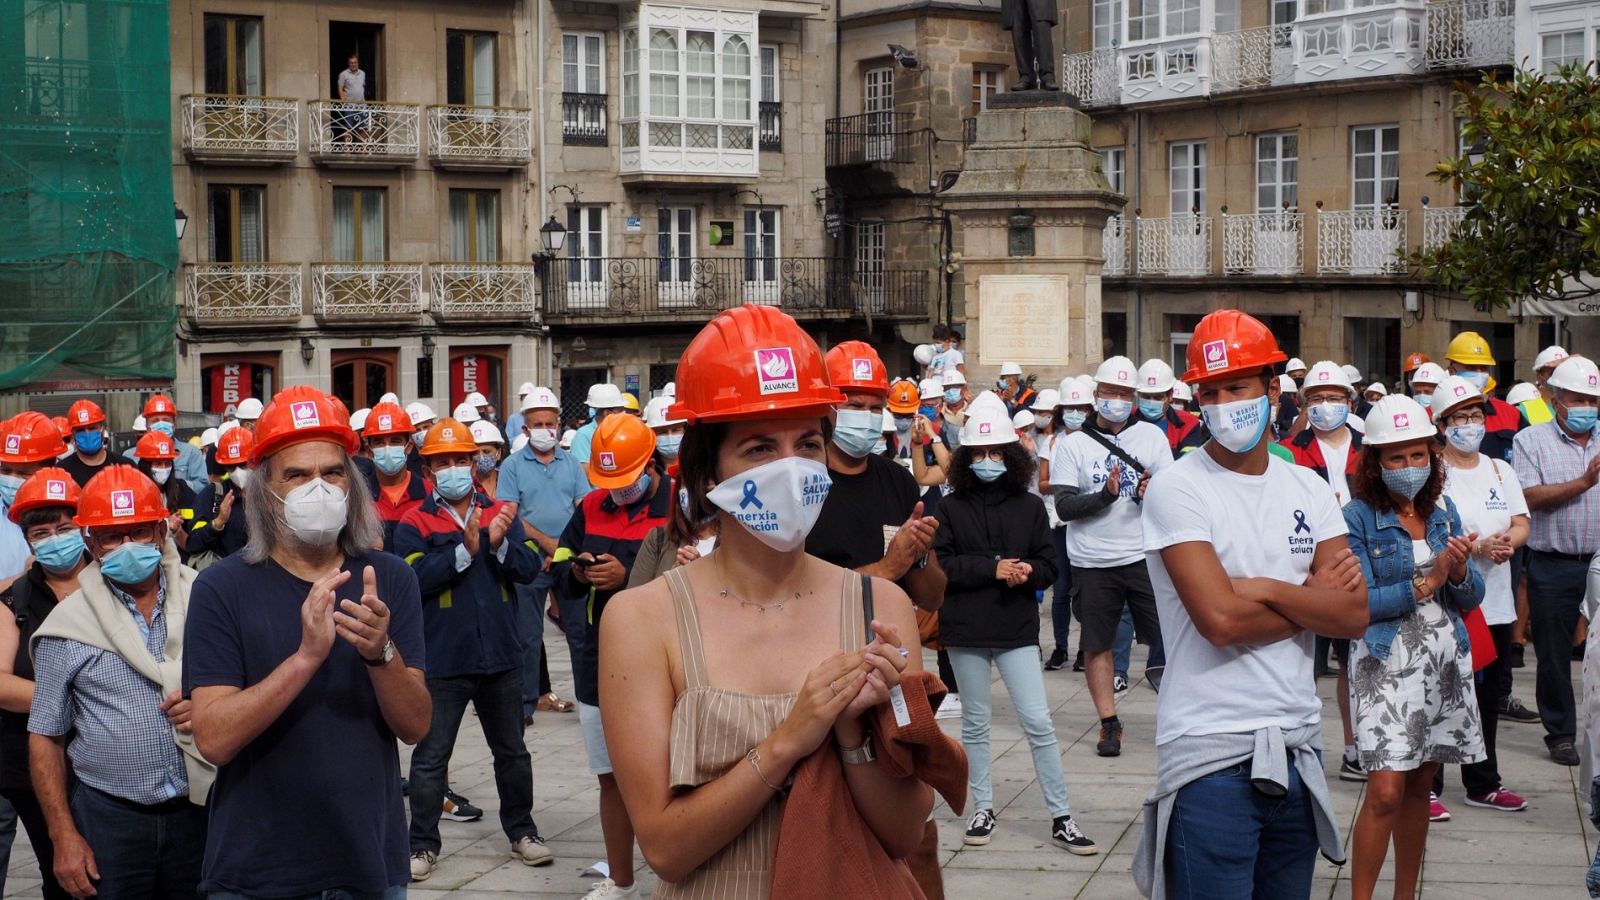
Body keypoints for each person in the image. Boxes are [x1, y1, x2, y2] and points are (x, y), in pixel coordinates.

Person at [598, 304, 934, 898]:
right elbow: (666, 849)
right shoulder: (642, 620)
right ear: (707, 475)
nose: (790, 469)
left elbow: (906, 833)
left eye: (807, 443)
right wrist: (788, 741)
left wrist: (853, 737)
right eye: (758, 448)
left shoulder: (880, 607)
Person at [1133, 309, 1367, 900]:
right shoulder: (1179, 487)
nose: (1222, 404)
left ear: (1272, 387)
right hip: (1210, 755)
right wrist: (1309, 598)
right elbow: (1219, 621)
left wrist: (1261, 587)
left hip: (1298, 744)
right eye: (1208, 392)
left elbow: (1353, 614)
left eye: (1236, 387)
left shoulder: (1308, 488)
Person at [183, 385, 432, 897]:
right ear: (264, 492)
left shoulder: (388, 579)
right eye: (296, 475)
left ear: (352, 484)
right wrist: (305, 659)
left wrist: (380, 653)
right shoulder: (221, 587)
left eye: (332, 472)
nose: (317, 488)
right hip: (257, 870)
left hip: (367, 863)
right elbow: (213, 738)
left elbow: (415, 726)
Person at [30, 465, 215, 899]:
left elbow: (244, 688)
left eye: (137, 531)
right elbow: (45, 737)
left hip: (203, 810)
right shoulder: (69, 624)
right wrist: (62, 836)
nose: (127, 546)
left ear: (160, 530)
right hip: (109, 819)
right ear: (91, 542)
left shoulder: (206, 598)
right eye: (112, 536)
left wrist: (209, 705)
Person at [932, 391, 1096, 854]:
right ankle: (982, 807)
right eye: (979, 453)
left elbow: (1050, 565)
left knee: (1039, 723)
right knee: (976, 725)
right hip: (965, 630)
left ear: (1010, 454)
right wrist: (992, 567)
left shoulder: (1027, 507)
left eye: (995, 452)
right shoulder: (949, 507)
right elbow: (941, 565)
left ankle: (1061, 816)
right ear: (966, 457)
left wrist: (1027, 572)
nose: (987, 460)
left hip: (1015, 629)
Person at [1344, 394, 1485, 900]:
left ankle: (1405, 894)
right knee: (1384, 789)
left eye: (1418, 455)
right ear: (1376, 463)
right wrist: (1429, 581)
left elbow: (1468, 597)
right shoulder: (1356, 517)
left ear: (1432, 455)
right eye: (1396, 457)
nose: (1409, 467)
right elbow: (1358, 603)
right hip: (1384, 659)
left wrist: (1463, 569)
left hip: (1442, 659)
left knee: (1421, 784)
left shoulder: (1442, 509)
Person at [396, 419, 548, 882]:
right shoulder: (413, 520)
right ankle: (421, 845)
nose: (453, 468)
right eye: (442, 462)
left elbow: (528, 568)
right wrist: (464, 551)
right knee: (430, 758)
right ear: (428, 469)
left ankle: (523, 832)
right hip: (443, 658)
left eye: (460, 459)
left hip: (500, 657)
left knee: (513, 754)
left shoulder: (500, 511)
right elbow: (412, 578)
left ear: (475, 463)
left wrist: (498, 545)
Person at [551, 413, 669, 900]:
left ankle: (678, 876)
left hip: (664, 667)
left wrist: (630, 579)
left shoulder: (681, 506)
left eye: (626, 480)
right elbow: (558, 564)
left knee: (674, 777)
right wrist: (577, 575)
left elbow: (696, 580)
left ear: (651, 464)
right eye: (609, 482)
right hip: (598, 660)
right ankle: (621, 882)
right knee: (610, 778)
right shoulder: (591, 506)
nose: (617, 490)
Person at [1051, 356, 1172, 756]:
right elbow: (1065, 507)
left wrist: (1147, 492)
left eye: (1125, 394)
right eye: (1110, 393)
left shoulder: (1153, 438)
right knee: (1097, 645)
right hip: (1092, 560)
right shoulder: (1073, 445)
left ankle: (1180, 713)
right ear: (1096, 396)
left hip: (1142, 556)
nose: (1117, 400)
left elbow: (1171, 497)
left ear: (1134, 397)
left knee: (1166, 639)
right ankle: (1109, 722)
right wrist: (1105, 496)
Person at [1430, 375, 1531, 817]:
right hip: (1448, 602)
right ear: (1442, 423)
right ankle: (1427, 786)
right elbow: (1434, 533)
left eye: (1476, 416)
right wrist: (1474, 547)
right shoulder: (1433, 470)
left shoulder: (1499, 469)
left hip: (1495, 602)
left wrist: (1509, 540)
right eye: (1461, 417)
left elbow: (1521, 522)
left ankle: (1483, 781)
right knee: (1438, 690)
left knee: (1486, 697)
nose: (1471, 425)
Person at [0, 469, 86, 900]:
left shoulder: (116, 582)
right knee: (64, 875)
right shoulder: (13, 598)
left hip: (111, 759)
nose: (55, 538)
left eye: (65, 528)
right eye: (42, 531)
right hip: (33, 764)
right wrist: (79, 697)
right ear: (28, 539)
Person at [1512, 354, 1600, 767]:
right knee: (1552, 654)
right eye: (1577, 399)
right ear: (1555, 398)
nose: (1586, 407)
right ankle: (1561, 733)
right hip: (1553, 564)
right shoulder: (1531, 441)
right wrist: (1584, 483)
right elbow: (1528, 497)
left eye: (1592, 400)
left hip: (1599, 561)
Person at [495, 385, 588, 722]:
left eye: (551, 424)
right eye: (539, 424)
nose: (546, 430)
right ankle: (524, 704)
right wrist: (549, 545)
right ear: (525, 429)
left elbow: (583, 510)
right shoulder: (513, 466)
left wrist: (564, 548)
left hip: (569, 559)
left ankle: (589, 702)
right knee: (527, 636)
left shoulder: (573, 465)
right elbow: (512, 515)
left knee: (579, 633)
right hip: (531, 558)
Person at [1042, 377, 1090, 672]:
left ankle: (1087, 649)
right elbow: (1044, 482)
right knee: (1061, 590)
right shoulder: (1053, 441)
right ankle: (1061, 648)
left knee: (1085, 591)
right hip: (1059, 522)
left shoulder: (1095, 440)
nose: (1075, 413)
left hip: (1085, 521)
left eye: (1081, 407)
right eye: (1070, 407)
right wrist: (1065, 486)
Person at [0, 414, 69, 580]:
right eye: (6, 471)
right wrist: (26, 579)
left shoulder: (69, 512)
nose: (11, 480)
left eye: (23, 473)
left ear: (49, 470)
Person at [1442, 330, 1522, 462]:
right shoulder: (1433, 416)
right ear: (1451, 371)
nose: (1479, 374)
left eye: (1484, 368)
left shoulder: (1510, 413)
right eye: (1471, 367)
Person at [188, 427, 254, 562]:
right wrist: (217, 523)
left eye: (243, 465)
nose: (238, 472)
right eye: (231, 467)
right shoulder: (212, 494)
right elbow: (193, 543)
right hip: (228, 576)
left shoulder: (269, 492)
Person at [133, 431, 198, 561]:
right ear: (145, 465)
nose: (163, 469)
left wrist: (177, 530)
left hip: (177, 562)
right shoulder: (133, 494)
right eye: (157, 464)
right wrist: (167, 525)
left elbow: (190, 545)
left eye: (167, 463)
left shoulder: (182, 490)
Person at [136, 395, 209, 493]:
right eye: (155, 421)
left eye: (166, 420)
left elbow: (202, 487)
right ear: (147, 426)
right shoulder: (133, 456)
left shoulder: (191, 453)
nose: (161, 425)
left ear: (174, 425)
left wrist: (176, 486)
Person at [1137, 359, 1205, 455]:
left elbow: (1189, 461)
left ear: (1170, 396)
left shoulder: (1188, 423)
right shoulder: (1127, 419)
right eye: (1146, 396)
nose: (1151, 402)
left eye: (1158, 397)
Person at [570, 384, 629, 465]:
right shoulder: (584, 435)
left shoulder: (624, 432)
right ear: (607, 413)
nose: (624, 414)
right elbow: (584, 470)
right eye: (620, 410)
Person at [60, 400, 113, 488]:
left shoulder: (123, 465)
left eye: (92, 428)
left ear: (102, 429)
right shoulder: (63, 472)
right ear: (73, 434)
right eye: (80, 430)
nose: (87, 434)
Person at [643, 397, 686, 463]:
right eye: (662, 432)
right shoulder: (644, 466)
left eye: (675, 430)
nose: (670, 437)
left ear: (684, 429)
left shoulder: (699, 464)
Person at [338, 53, 370, 143]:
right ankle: (347, 147)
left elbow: (363, 87)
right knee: (348, 127)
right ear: (349, 64)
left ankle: (364, 148)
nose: (353, 64)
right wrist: (343, 100)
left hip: (362, 105)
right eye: (351, 63)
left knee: (363, 127)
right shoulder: (343, 74)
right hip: (350, 105)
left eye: (355, 62)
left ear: (358, 63)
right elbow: (340, 88)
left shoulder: (363, 73)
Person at [472, 420, 505, 497]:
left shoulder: (508, 480)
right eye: (475, 452)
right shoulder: (464, 485)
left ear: (498, 453)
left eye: (486, 451)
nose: (481, 456)